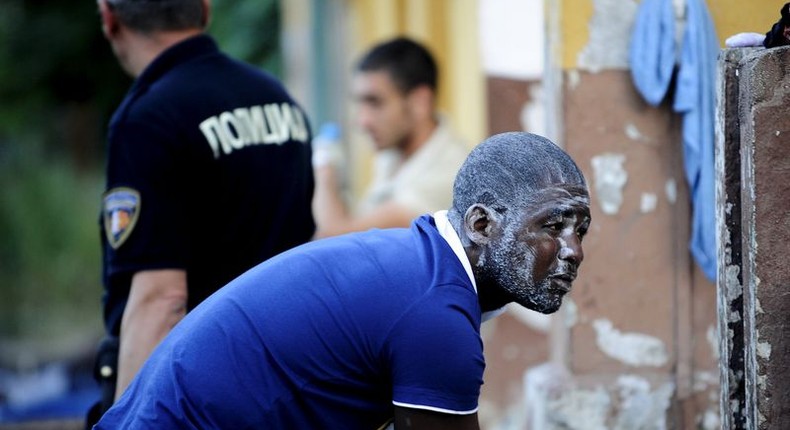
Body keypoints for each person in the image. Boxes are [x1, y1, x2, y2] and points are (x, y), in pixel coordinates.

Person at [94, 132, 592, 429]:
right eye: (552, 225)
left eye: (580, 228)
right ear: (481, 225)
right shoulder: (435, 314)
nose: (573, 250)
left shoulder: (419, 262)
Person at [87, 0, 315, 424]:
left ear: (109, 17)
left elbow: (161, 298)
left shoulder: (149, 119)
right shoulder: (276, 97)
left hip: (197, 393)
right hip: (292, 380)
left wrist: (130, 420)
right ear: (205, 9)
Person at [312, 37, 469, 238]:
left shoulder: (450, 172)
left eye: (375, 102)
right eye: (360, 103)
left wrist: (323, 166)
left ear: (420, 102)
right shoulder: (394, 152)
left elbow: (335, 239)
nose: (362, 121)